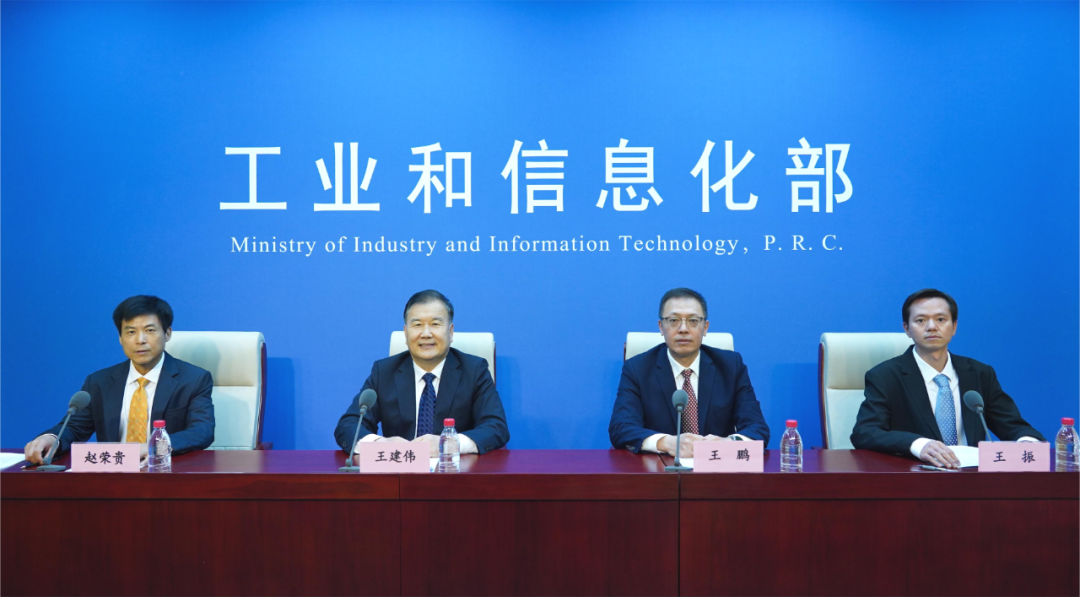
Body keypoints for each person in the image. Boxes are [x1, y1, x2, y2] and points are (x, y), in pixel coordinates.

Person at [851, 289, 1045, 467]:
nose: (931, 327)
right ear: (907, 329)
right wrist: (918, 444)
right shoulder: (885, 376)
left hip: (972, 477)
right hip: (915, 476)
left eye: (941, 319)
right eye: (921, 320)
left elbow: (1013, 425)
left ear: (954, 327)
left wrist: (1027, 444)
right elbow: (865, 432)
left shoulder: (979, 373)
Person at [24, 295, 215, 465]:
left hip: (166, 473)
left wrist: (155, 446)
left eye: (149, 330)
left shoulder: (193, 379)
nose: (140, 340)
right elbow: (74, 428)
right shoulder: (99, 382)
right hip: (113, 475)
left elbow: (201, 431)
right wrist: (51, 438)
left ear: (167, 333)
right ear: (121, 338)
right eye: (131, 332)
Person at [335, 290, 509, 457]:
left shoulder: (474, 370)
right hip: (400, 470)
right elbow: (348, 426)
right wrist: (380, 443)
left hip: (455, 470)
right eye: (417, 325)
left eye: (435, 324)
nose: (426, 334)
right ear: (406, 333)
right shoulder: (384, 372)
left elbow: (496, 427)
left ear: (450, 331)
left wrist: (450, 443)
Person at [609, 288, 770, 457]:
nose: (683, 329)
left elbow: (757, 428)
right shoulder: (637, 369)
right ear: (661, 327)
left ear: (705, 327)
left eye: (693, 321)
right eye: (673, 320)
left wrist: (728, 443)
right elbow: (621, 428)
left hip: (716, 465)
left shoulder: (730, 366)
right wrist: (666, 443)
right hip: (659, 468)